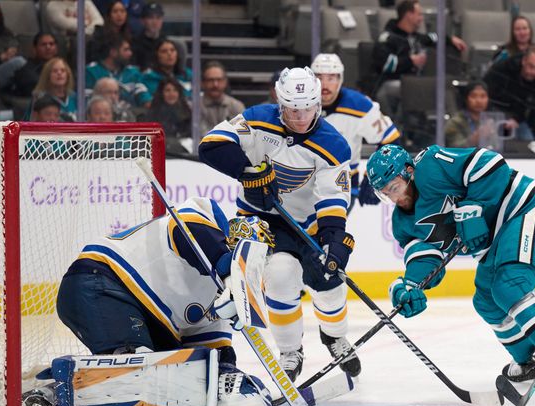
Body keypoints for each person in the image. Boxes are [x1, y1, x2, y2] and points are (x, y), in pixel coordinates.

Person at [364, 144, 535, 402]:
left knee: (510, 284)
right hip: (499, 240)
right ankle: (528, 361)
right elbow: (425, 261)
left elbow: (492, 164)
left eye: (395, 188)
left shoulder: (431, 165)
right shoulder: (403, 224)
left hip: (527, 209)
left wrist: (473, 206)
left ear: (409, 171)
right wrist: (409, 286)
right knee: (486, 301)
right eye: (385, 195)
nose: (396, 200)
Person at [21, 197, 277, 406]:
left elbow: (209, 354)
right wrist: (227, 269)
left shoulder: (222, 297)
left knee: (172, 378)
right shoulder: (205, 214)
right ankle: (51, 392)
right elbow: (186, 231)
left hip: (145, 315)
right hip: (102, 281)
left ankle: (64, 385)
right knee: (138, 371)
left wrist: (227, 373)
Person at [198, 66, 361, 382]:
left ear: (318, 105)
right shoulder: (258, 120)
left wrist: (334, 239)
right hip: (261, 221)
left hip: (310, 223)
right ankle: (290, 351)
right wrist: (247, 171)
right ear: (279, 102)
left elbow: (331, 200)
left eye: (307, 109)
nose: (300, 118)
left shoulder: (334, 144)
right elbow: (211, 144)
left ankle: (334, 335)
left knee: (329, 280)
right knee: (281, 275)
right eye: (291, 110)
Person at [311, 53, 400, 212]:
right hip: (302, 184)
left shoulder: (360, 106)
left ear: (340, 79)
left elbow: (391, 138)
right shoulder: (299, 105)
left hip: (341, 186)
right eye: (319, 78)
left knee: (328, 235)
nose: (325, 85)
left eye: (331, 78)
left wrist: (375, 177)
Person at [370, 0, 467, 119]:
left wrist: (450, 39)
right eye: (419, 14)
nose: (422, 18)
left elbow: (433, 37)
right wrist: (411, 61)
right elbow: (385, 64)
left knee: (443, 86)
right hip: (392, 83)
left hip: (415, 83)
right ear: (408, 15)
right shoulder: (388, 38)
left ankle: (449, 125)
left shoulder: (415, 37)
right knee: (410, 88)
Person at [483, 45, 535, 141]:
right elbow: (483, 91)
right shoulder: (502, 68)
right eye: (530, 66)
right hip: (492, 114)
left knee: (529, 143)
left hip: (518, 120)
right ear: (523, 61)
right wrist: (489, 116)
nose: (533, 72)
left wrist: (517, 120)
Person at [85, 34, 149, 107]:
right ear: (113, 52)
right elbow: (86, 101)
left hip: (129, 115)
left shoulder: (133, 72)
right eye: (126, 50)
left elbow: (144, 96)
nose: (130, 53)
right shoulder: (91, 71)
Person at [444, 81, 512, 148]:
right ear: (466, 99)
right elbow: (454, 148)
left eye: (483, 96)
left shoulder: (490, 120)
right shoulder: (455, 122)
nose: (479, 101)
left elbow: (496, 147)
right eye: (473, 96)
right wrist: (478, 136)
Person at [141, 77, 191, 153]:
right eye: (167, 90)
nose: (171, 94)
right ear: (161, 93)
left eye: (175, 90)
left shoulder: (187, 113)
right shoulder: (152, 114)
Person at [200, 61, 245, 134]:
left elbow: (244, 135)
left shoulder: (236, 106)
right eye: (210, 80)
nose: (215, 85)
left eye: (219, 80)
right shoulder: (193, 107)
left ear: (225, 82)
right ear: (203, 83)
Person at [26, 57, 77, 121]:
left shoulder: (76, 97)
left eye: (63, 70)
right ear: (47, 76)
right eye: (55, 71)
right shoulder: (39, 98)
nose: (59, 73)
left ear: (68, 75)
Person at [0, 0, 26, 93]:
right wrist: (0, 58)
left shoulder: (5, 32)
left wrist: (13, 50)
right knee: (19, 62)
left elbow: (15, 44)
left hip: (9, 68)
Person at [10, 33, 59, 98]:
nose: (48, 47)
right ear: (34, 49)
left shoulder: (62, 66)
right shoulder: (26, 69)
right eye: (43, 44)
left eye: (51, 44)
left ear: (56, 49)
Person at [131, 2, 165, 70]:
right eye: (150, 18)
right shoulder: (133, 44)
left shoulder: (166, 43)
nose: (155, 22)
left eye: (158, 18)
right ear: (142, 21)